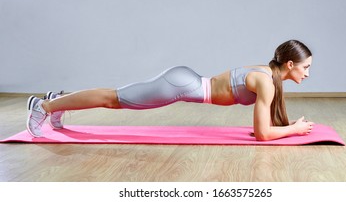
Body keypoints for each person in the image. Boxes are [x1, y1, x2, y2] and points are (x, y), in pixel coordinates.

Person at [27, 39, 314, 140]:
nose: (308, 73)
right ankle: (44, 107)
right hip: (179, 86)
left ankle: (59, 101)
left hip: (185, 80)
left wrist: (288, 127)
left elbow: (263, 127)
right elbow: (263, 135)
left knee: (114, 97)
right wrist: (294, 130)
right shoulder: (265, 82)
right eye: (306, 67)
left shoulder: (269, 75)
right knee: (113, 99)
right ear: (290, 64)